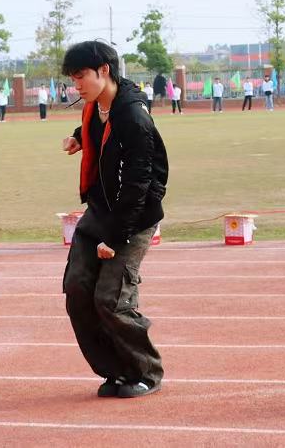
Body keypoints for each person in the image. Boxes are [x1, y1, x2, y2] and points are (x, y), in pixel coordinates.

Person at [59, 41, 168, 399]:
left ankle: (145, 372)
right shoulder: (96, 108)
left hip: (133, 217)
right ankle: (116, 371)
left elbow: (140, 185)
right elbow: (100, 132)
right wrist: (80, 138)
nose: (75, 85)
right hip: (100, 211)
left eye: (80, 77)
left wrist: (116, 238)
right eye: (72, 79)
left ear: (104, 70)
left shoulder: (134, 118)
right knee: (77, 290)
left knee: (111, 299)